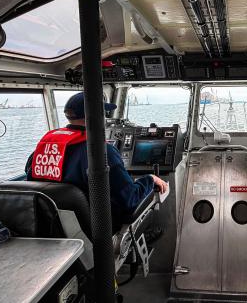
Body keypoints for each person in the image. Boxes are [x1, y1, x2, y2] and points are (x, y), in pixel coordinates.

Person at [25, 92, 168, 230]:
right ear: (97, 116)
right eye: (104, 113)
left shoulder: (44, 148)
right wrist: (149, 179)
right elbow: (128, 200)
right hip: (99, 231)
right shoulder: (101, 152)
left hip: (55, 229)